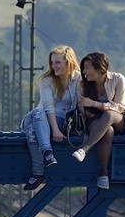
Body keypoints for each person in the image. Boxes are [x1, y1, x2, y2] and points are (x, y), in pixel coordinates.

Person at [20, 46, 80, 190]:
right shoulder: (47, 81)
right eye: (52, 63)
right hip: (41, 117)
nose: (54, 66)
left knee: (31, 131)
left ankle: (38, 173)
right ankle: (48, 153)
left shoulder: (78, 79)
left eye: (58, 62)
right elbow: (48, 107)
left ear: (68, 62)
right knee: (37, 114)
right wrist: (55, 130)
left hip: (61, 121)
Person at [70, 51, 125, 189]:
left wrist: (96, 104)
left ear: (99, 68)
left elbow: (121, 107)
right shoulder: (82, 84)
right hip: (93, 120)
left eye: (87, 67)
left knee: (109, 115)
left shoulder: (118, 79)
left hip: (117, 120)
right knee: (107, 131)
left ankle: (84, 149)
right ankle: (103, 175)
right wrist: (99, 107)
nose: (83, 71)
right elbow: (83, 108)